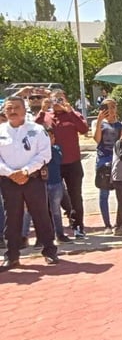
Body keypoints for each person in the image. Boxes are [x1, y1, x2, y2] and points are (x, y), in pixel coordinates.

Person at [0, 97, 60, 270]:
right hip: (9, 181)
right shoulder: (1, 130)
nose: (13, 111)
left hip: (32, 179)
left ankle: (49, 251)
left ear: (24, 110)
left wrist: (26, 171)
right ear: (5, 111)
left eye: (16, 108)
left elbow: (44, 154)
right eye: (9, 108)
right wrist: (11, 173)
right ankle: (12, 256)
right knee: (12, 219)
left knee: (41, 215)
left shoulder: (37, 129)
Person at [35, 90, 89, 239]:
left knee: (75, 195)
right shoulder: (46, 116)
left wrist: (70, 111)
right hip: (53, 164)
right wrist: (42, 110)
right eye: (54, 99)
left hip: (73, 163)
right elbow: (33, 131)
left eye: (60, 99)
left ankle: (78, 226)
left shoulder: (73, 114)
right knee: (52, 196)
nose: (57, 102)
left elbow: (84, 129)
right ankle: (54, 229)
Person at [93, 98, 122, 231]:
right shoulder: (98, 123)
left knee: (120, 192)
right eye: (107, 107)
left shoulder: (120, 126)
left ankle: (119, 222)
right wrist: (99, 121)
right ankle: (107, 224)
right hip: (103, 161)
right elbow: (97, 139)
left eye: (113, 107)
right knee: (103, 193)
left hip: (116, 161)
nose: (110, 110)